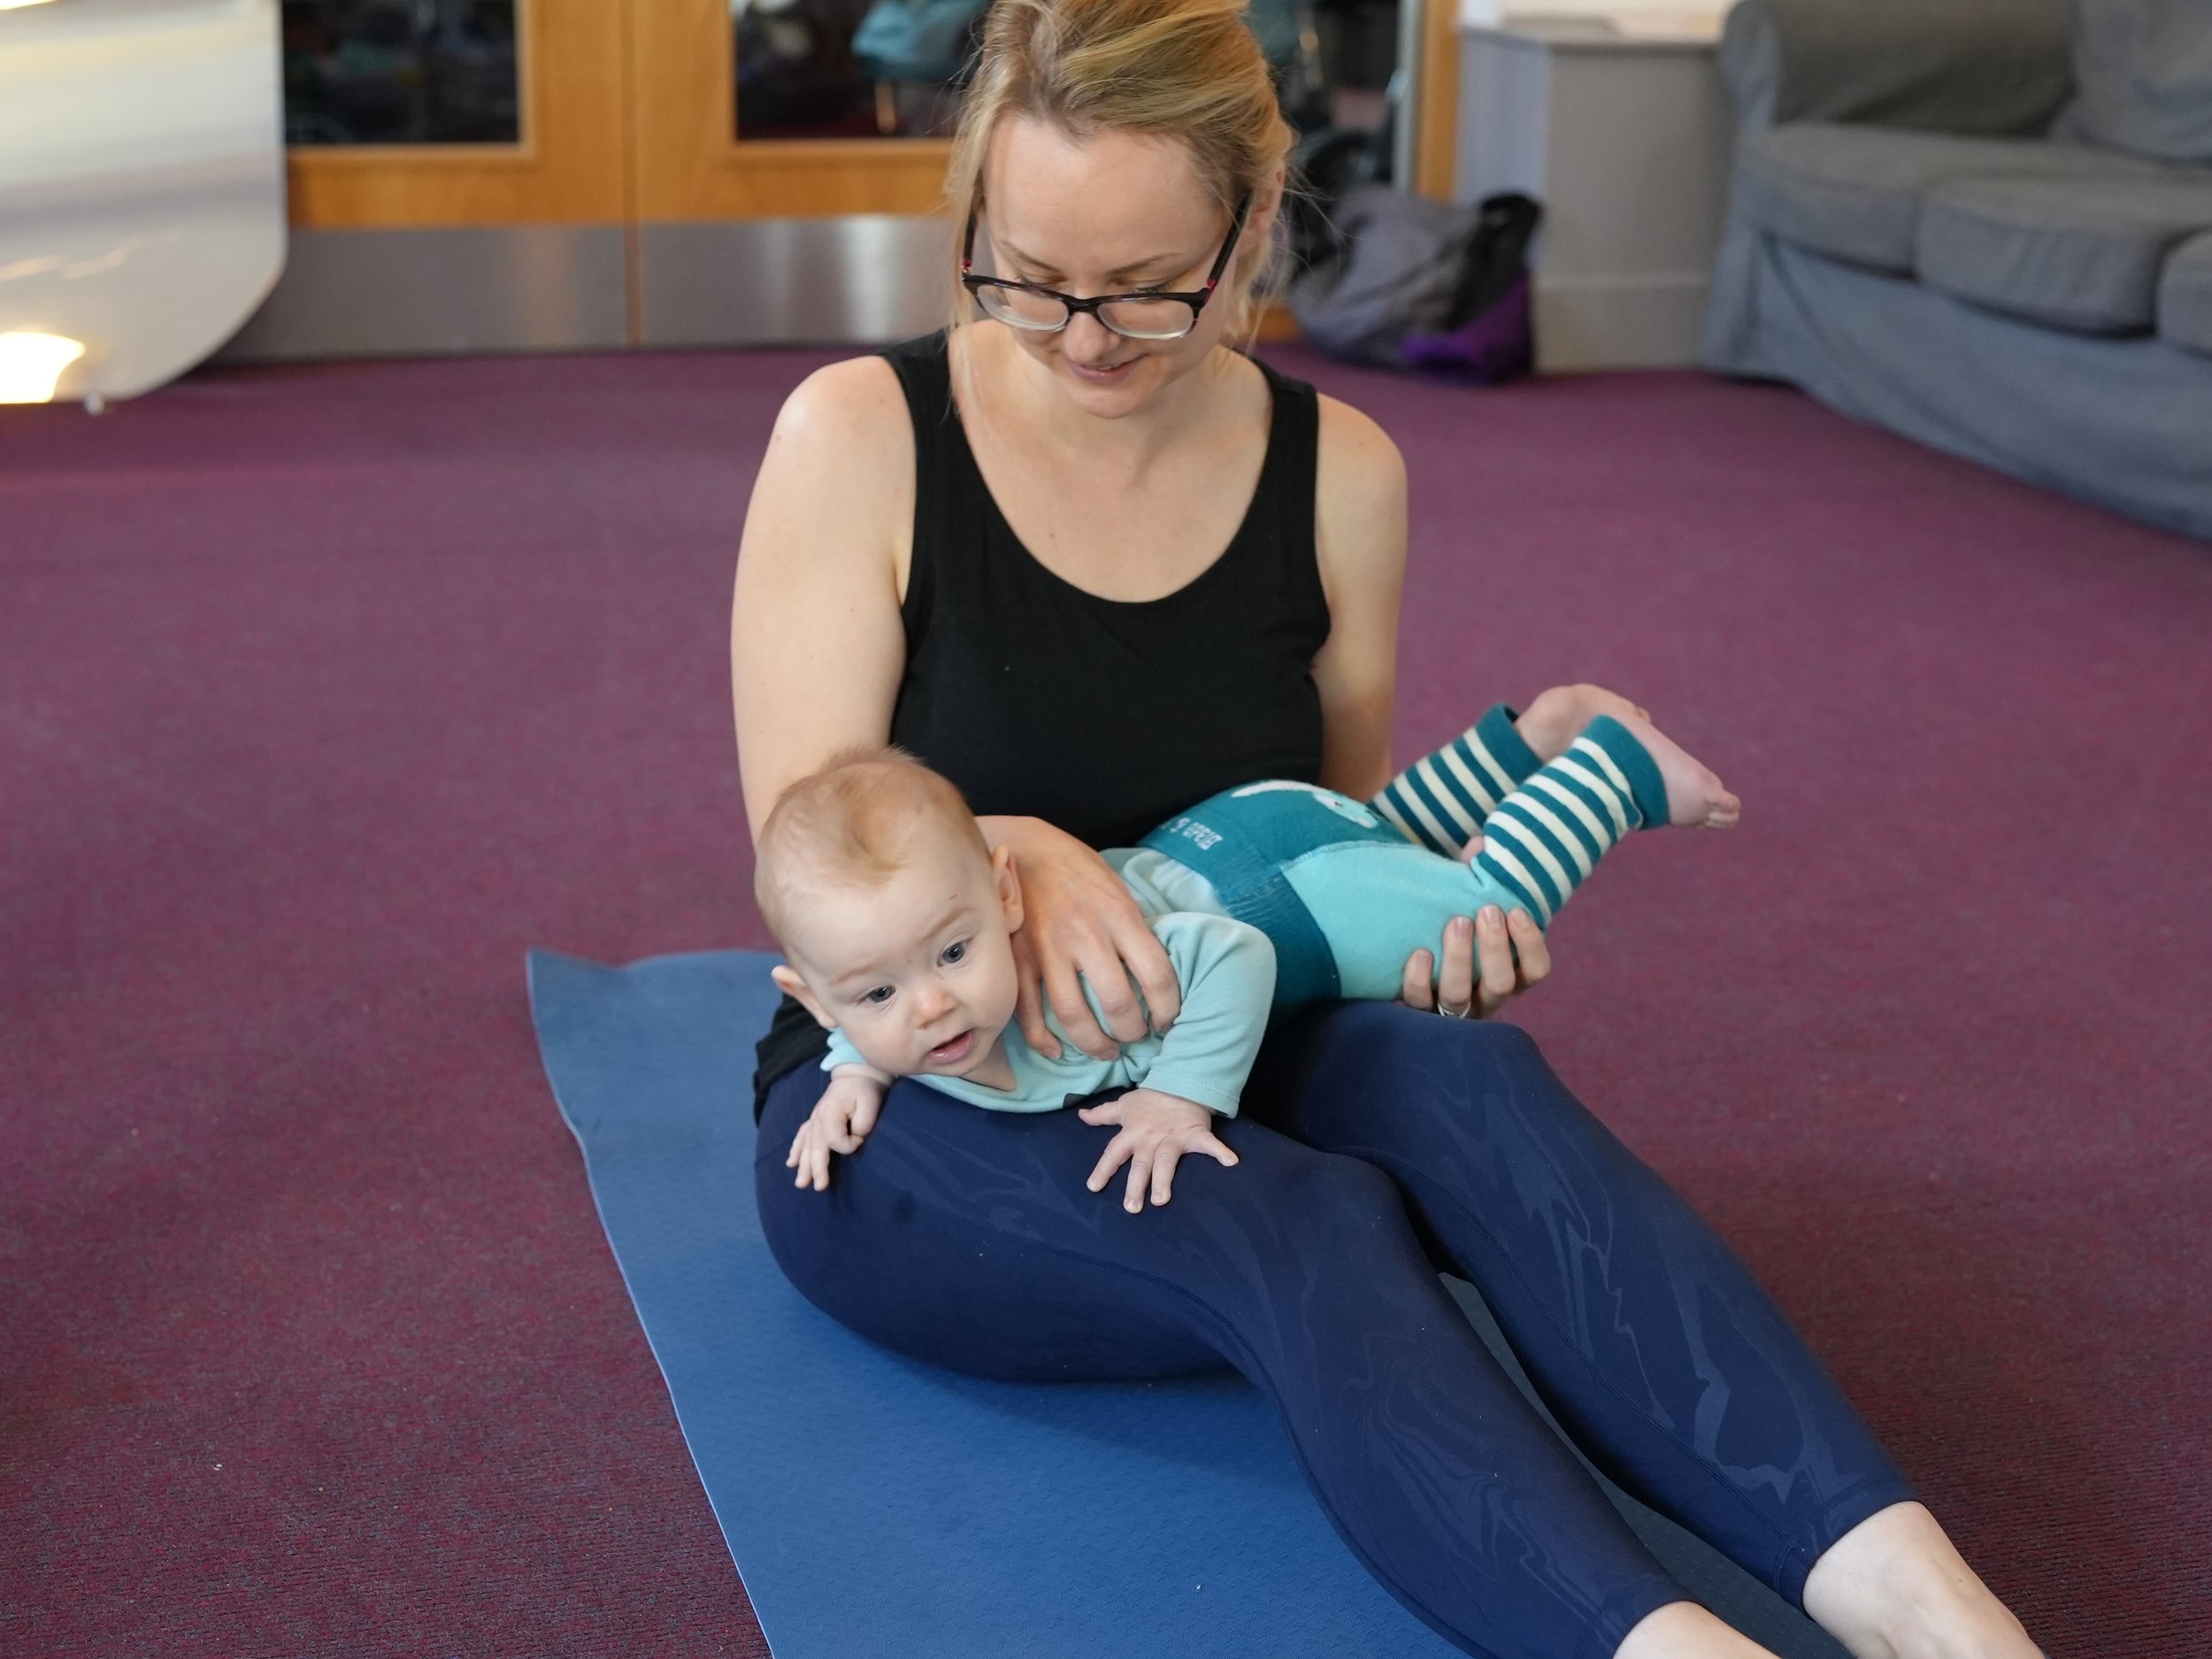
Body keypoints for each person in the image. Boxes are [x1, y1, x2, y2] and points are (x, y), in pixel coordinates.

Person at [729, 3, 2044, 1654]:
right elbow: (814, 837)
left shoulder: (1340, 469)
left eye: (1147, 285)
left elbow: (1323, 835)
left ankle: (1940, 1613)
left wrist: (1432, 934)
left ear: (1255, 225)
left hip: (1214, 1009)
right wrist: (1025, 847)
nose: (1081, 337)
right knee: (1302, 1217)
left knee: (1471, 1080)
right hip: (925, 1086)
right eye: (1025, 273)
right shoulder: (859, 437)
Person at [759, 694, 1739, 1194]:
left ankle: (1611, 765)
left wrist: (1177, 1096)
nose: (930, 1006)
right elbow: (874, 987)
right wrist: (854, 1077)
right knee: (1390, 827)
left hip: (1290, 904)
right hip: (1249, 824)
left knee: (1479, 901)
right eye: (875, 998)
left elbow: (1231, 957)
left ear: (1006, 897)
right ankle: (1525, 742)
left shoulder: (1066, 998)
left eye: (951, 955)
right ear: (816, 1000)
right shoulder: (885, 988)